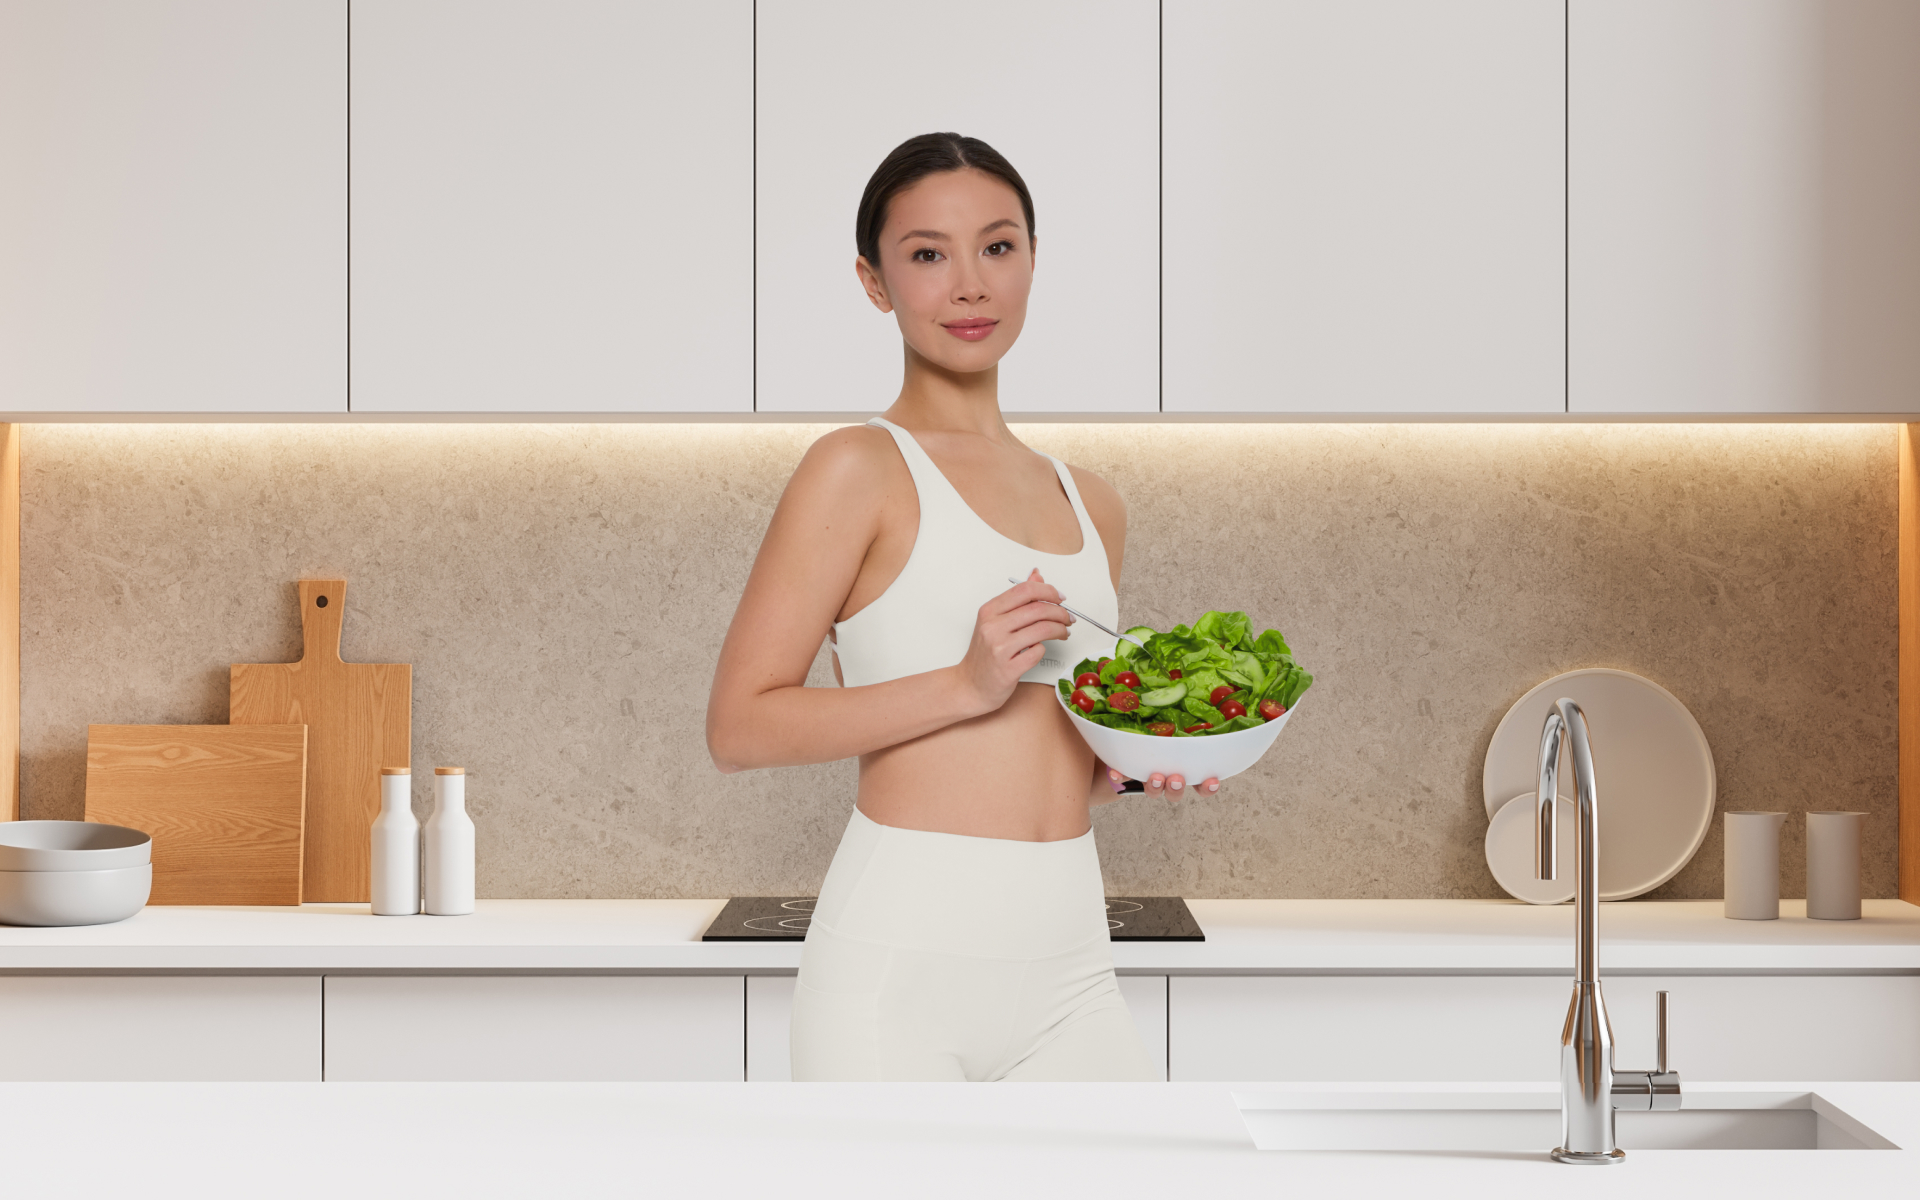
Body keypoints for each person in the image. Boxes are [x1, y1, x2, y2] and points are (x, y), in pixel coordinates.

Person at [706, 132, 1219, 1081]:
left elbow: (1045, 753)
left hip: (1071, 971)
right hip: (895, 975)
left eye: (998, 246)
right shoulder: (855, 470)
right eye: (928, 256)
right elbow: (738, 728)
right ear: (875, 282)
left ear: (1030, 261)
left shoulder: (1090, 500)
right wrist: (965, 682)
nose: (970, 285)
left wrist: (1137, 763)